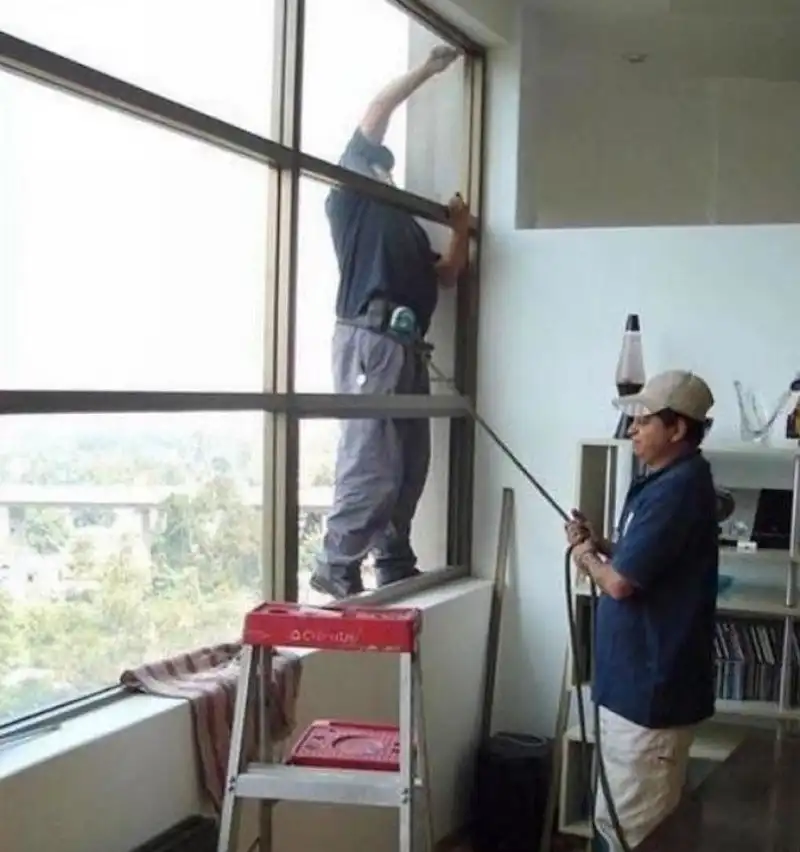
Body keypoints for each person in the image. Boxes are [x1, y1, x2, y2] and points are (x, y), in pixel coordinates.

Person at [310, 45, 472, 600]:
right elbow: (377, 111)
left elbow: (447, 274)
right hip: (370, 338)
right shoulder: (353, 198)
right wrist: (426, 70)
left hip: (406, 345)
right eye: (379, 163)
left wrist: (461, 230)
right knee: (372, 453)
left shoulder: (403, 227)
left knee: (410, 459)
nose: (386, 170)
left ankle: (393, 558)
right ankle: (337, 560)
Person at [565, 370, 719, 852]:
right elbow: (642, 561)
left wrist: (584, 556)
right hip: (632, 686)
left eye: (644, 420)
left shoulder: (677, 490)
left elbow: (620, 584)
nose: (632, 429)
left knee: (634, 832)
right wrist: (601, 545)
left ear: (677, 428)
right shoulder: (664, 482)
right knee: (614, 819)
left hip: (650, 696)